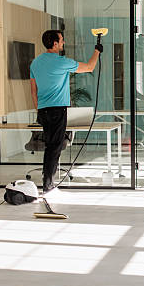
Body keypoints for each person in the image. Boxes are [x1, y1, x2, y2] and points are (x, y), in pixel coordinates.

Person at [30, 30, 102, 193]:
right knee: (54, 147)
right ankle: (48, 185)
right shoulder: (61, 62)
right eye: (61, 40)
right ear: (54, 43)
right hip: (57, 110)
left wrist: (39, 110)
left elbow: (33, 91)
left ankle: (47, 180)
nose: (63, 43)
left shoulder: (35, 63)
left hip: (43, 110)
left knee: (51, 146)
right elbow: (89, 67)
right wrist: (97, 51)